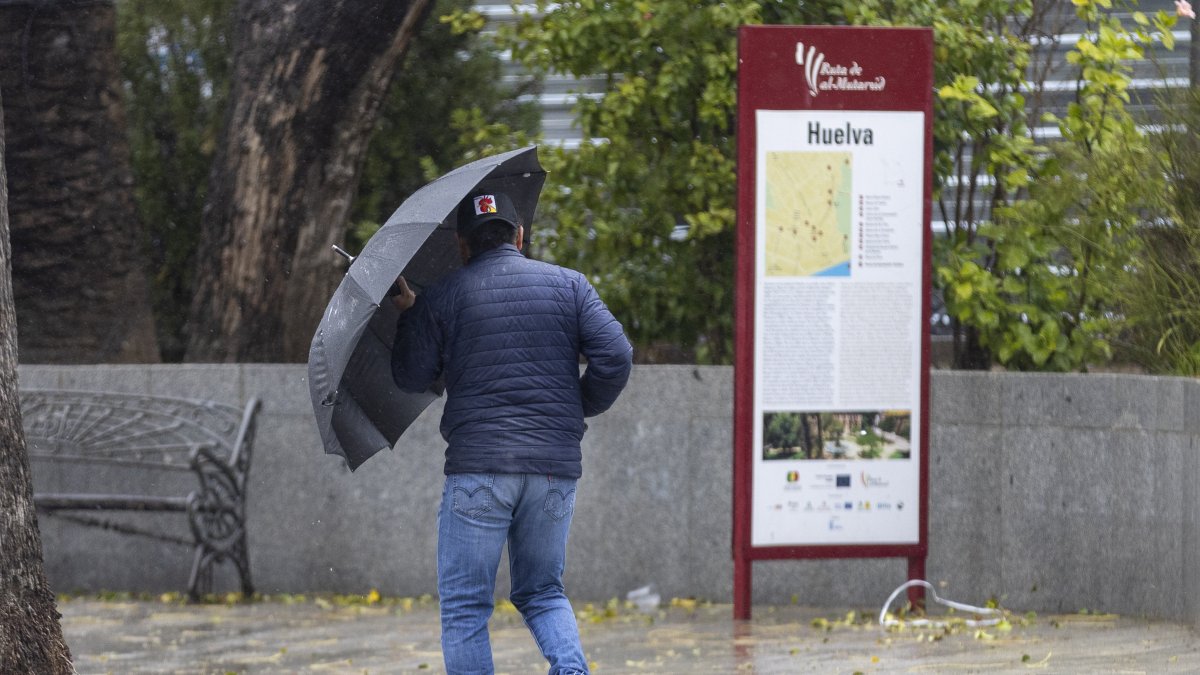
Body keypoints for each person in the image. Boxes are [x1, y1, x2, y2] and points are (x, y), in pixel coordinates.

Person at [390, 190, 633, 675]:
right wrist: (574, 407)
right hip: (553, 470)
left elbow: (411, 378)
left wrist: (412, 311)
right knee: (543, 591)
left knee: (465, 607)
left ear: (462, 244)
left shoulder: (444, 296)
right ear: (520, 237)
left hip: (478, 469)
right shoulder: (571, 286)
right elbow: (617, 355)